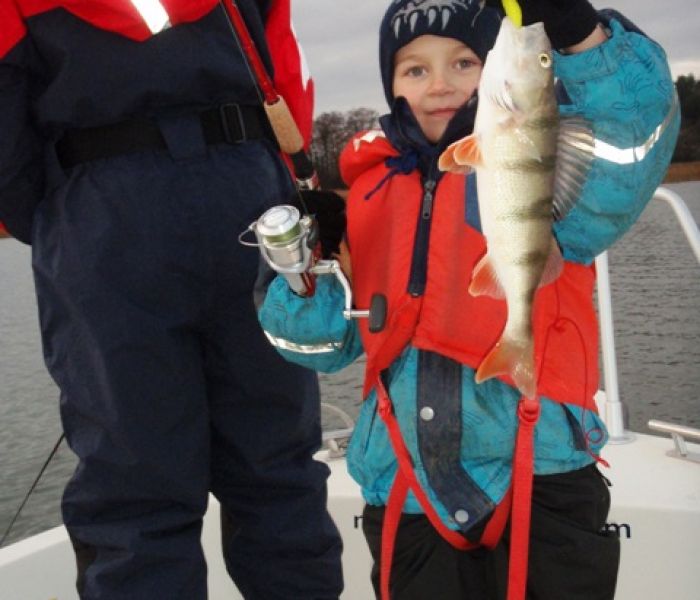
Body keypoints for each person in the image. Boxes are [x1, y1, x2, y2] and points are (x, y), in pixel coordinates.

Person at [258, 0, 680, 598]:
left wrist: (580, 37)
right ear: (390, 85)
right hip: (406, 491)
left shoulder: (552, 152)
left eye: (463, 62)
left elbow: (635, 130)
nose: (440, 84)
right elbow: (321, 347)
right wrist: (308, 270)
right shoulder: (368, 191)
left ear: (498, 68)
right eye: (415, 69)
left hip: (543, 477)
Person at [0, 1, 344, 598]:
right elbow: (287, 77)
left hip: (102, 212)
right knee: (277, 466)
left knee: (134, 490)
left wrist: (55, 218)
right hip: (247, 196)